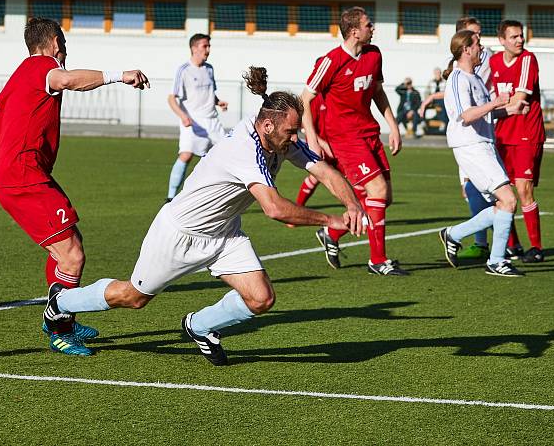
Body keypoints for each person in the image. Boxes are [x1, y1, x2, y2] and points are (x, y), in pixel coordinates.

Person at [42, 66, 366, 362]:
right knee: (133, 297)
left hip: (224, 234)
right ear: (268, 125)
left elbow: (324, 170)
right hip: (180, 234)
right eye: (291, 132)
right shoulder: (245, 149)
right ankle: (61, 305)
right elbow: (274, 209)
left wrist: (351, 205)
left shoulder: (279, 139)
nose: (296, 139)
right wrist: (330, 219)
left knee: (261, 298)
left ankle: (199, 325)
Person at [0, 17, 150, 355]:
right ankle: (59, 328)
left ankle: (61, 320)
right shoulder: (42, 66)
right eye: (65, 46)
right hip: (23, 176)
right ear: (56, 43)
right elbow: (67, 79)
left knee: (66, 248)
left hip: (23, 174)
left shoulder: (21, 73)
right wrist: (120, 75)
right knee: (71, 254)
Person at [301, 6, 407, 276]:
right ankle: (378, 260)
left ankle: (333, 233)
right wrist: (313, 140)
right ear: (353, 31)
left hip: (370, 133)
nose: (373, 28)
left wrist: (393, 127)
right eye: (368, 24)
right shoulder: (331, 61)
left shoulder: (374, 54)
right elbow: (305, 99)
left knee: (384, 199)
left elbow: (378, 93)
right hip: (345, 139)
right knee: (378, 192)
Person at [438, 29, 527, 277]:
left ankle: (453, 235)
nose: (481, 48)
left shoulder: (475, 78)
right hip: (470, 146)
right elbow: (465, 116)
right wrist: (497, 102)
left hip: (485, 144)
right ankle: (496, 261)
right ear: (466, 49)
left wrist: (510, 110)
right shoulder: (458, 79)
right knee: (508, 200)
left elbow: (483, 113)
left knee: (503, 204)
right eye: (477, 44)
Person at [489, 19, 546, 264]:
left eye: (521, 36)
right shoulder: (493, 62)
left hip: (526, 133)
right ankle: (513, 245)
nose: (520, 40)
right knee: (503, 192)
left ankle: (537, 247)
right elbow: (491, 97)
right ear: (502, 40)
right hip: (502, 133)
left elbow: (520, 100)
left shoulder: (528, 60)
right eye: (514, 37)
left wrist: (486, 111)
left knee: (524, 189)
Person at [166, 33, 228, 202]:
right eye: (204, 46)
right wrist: (183, 116)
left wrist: (218, 102)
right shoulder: (183, 70)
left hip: (212, 121)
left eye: (209, 46)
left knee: (224, 154)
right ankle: (171, 197)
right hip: (193, 121)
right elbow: (172, 98)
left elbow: (210, 93)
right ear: (194, 48)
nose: (208, 49)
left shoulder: (209, 68)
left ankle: (211, 196)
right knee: (186, 155)